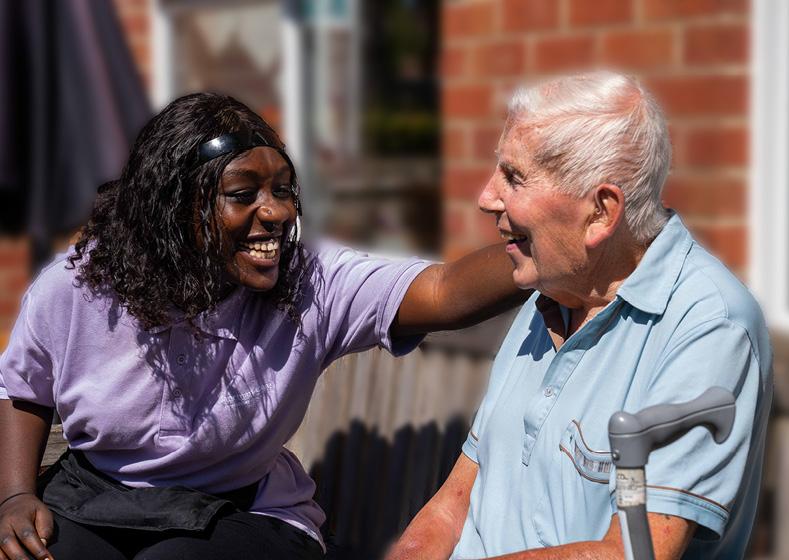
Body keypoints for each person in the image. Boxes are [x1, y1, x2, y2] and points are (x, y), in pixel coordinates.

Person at [0, 92, 528, 560]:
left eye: (282, 189)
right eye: (243, 194)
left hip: (240, 510)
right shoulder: (81, 288)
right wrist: (15, 495)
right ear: (174, 210)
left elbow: (444, 292)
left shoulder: (310, 283)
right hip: (100, 496)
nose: (275, 212)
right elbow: (22, 389)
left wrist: (547, 246)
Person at [388, 72, 773, 559]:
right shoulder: (552, 293)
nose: (487, 197)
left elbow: (632, 552)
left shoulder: (708, 327)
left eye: (514, 177)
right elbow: (456, 500)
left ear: (600, 213)